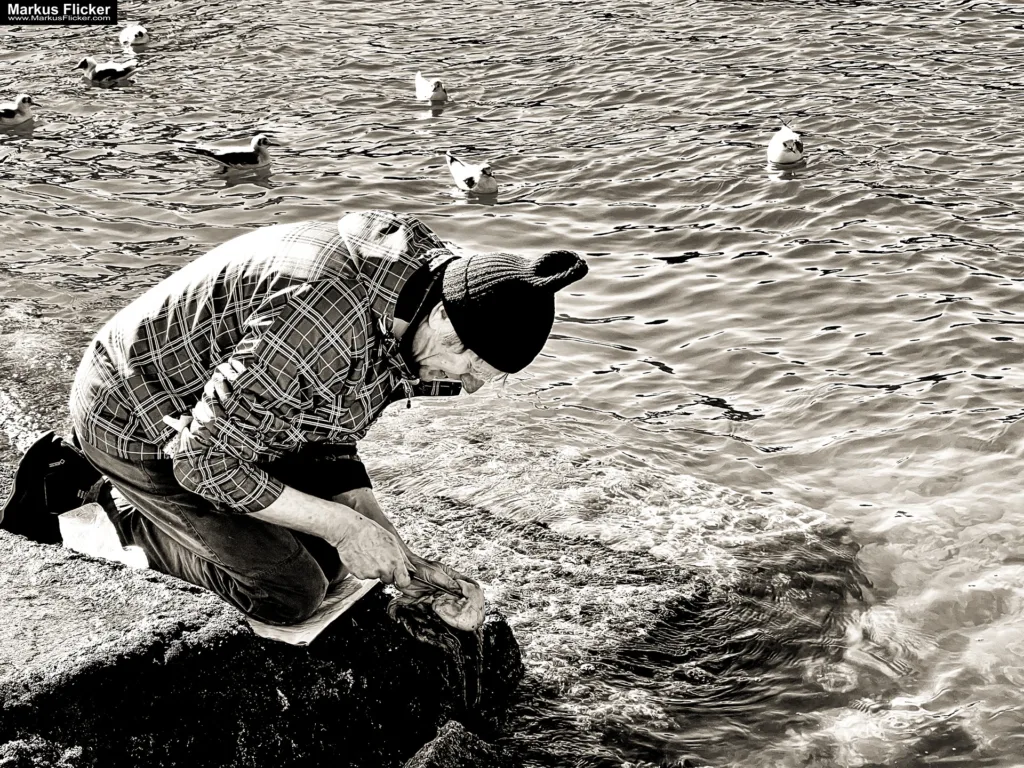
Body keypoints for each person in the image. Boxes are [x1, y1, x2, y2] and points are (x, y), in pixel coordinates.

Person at [0, 210, 588, 626]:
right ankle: (93, 506)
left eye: (491, 374)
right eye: (467, 358)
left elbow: (329, 436)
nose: (468, 381)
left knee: (341, 564)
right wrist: (343, 526)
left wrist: (401, 558)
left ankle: (137, 505)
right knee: (290, 590)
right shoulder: (325, 315)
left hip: (232, 417)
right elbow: (203, 459)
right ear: (438, 313)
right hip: (138, 417)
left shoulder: (424, 310)